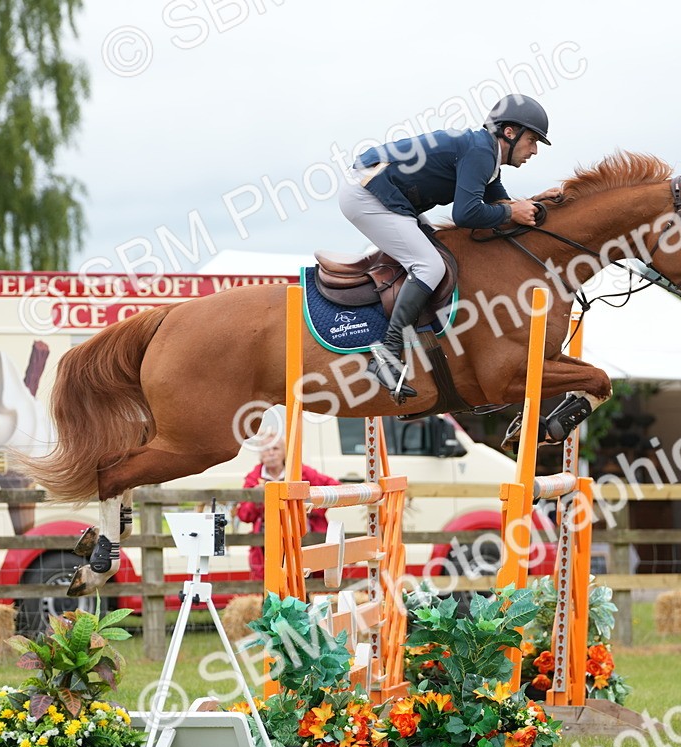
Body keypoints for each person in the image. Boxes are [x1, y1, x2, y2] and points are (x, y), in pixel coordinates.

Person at [339, 93, 551, 400]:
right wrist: (511, 211)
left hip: (383, 191)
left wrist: (538, 202)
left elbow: (501, 204)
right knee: (430, 265)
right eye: (532, 140)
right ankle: (387, 354)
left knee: (437, 254)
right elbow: (465, 214)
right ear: (510, 132)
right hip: (366, 191)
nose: (533, 150)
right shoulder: (480, 152)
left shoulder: (486, 157)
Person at [236, 436, 339, 580]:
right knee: (273, 582)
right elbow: (244, 515)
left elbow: (333, 487)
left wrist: (307, 506)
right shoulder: (253, 478)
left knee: (303, 579)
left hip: (301, 536)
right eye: (266, 449)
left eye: (275, 448)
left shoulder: (302, 471)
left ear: (284, 452)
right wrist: (258, 498)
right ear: (260, 454)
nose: (271, 453)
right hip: (268, 540)